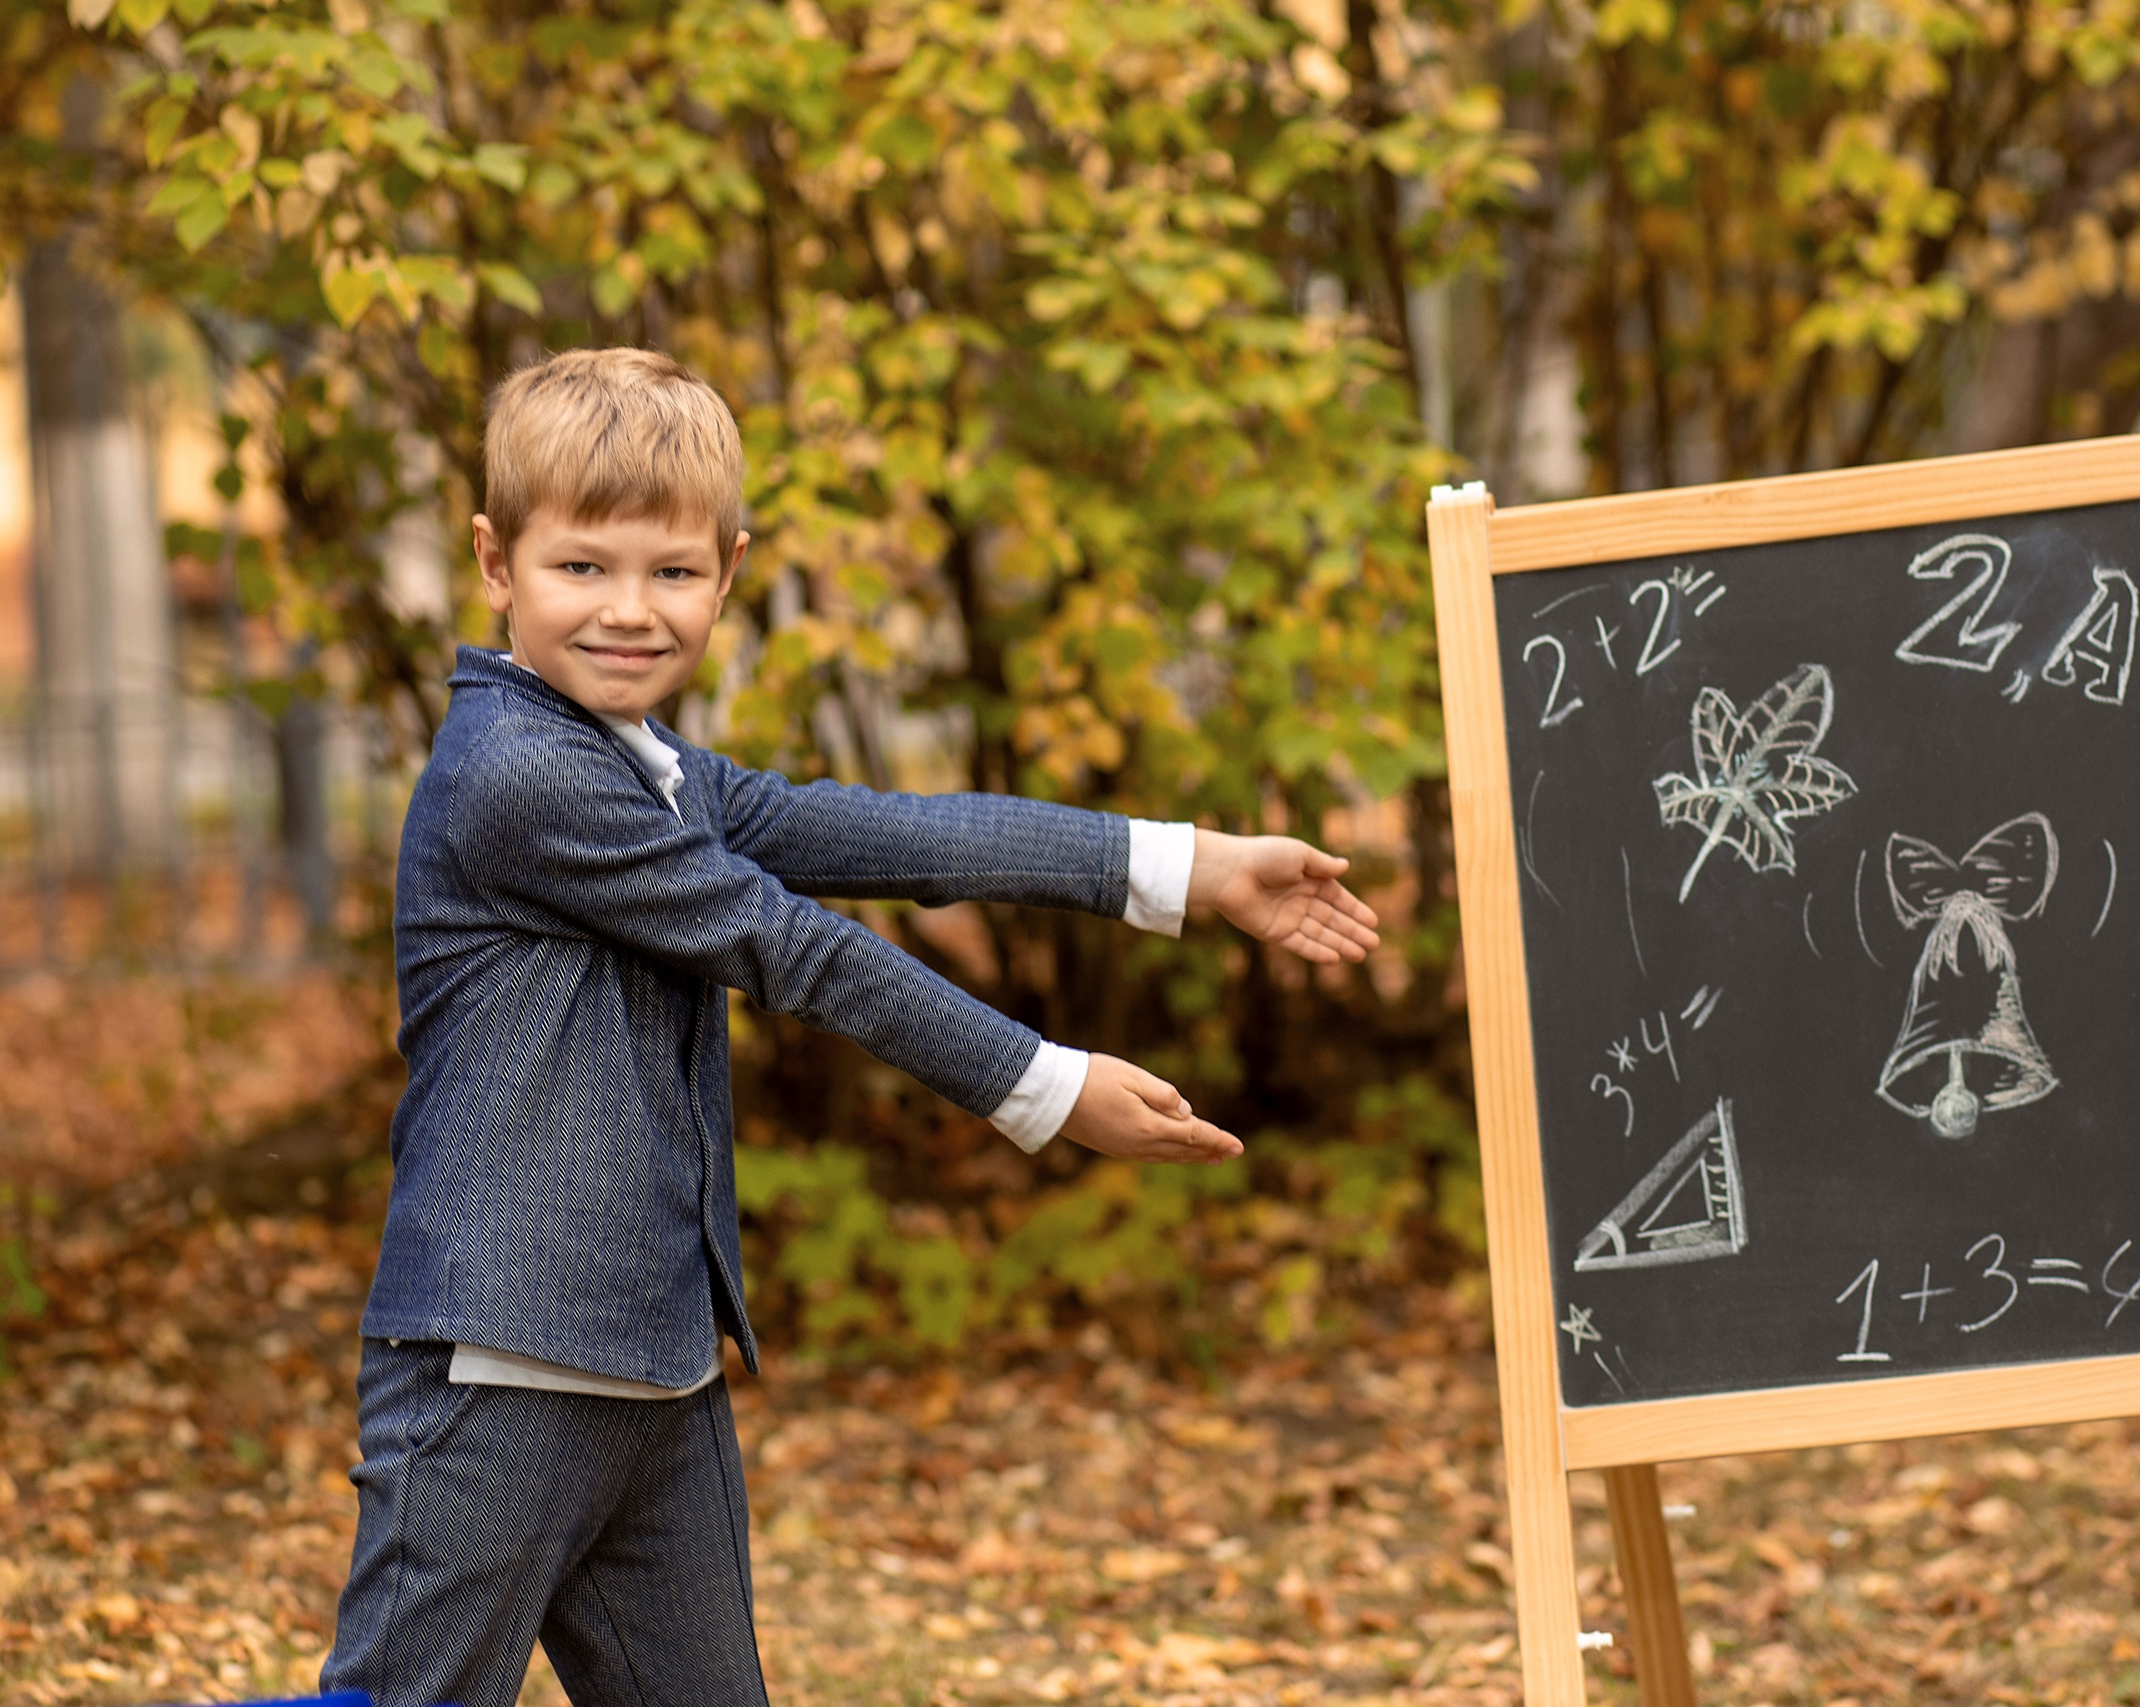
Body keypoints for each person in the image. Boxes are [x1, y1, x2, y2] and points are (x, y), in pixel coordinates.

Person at [321, 347, 1380, 1707]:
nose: (630, 610)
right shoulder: (519, 774)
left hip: (653, 1373)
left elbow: (889, 833)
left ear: (729, 573)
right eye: (582, 566)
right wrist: (1046, 1089)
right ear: (495, 563)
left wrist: (1189, 865)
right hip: (497, 1371)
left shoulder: (645, 767)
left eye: (672, 571)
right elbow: (790, 946)